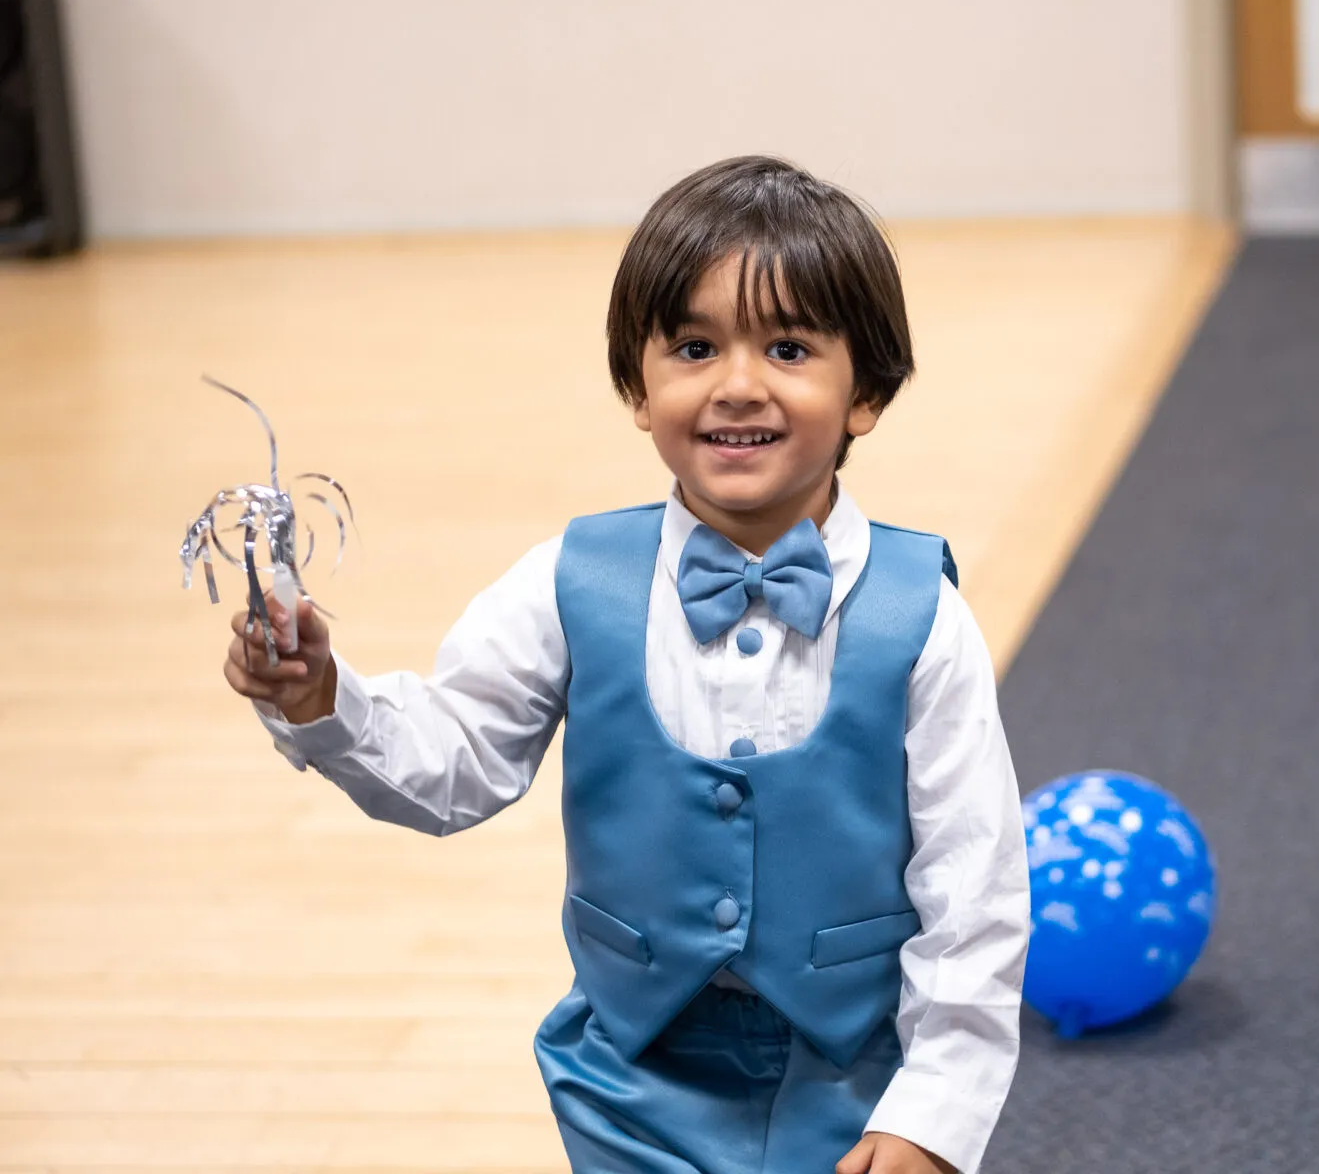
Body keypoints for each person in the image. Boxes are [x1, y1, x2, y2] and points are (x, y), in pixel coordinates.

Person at [221, 156, 1031, 1174]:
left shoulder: (924, 616)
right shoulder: (570, 581)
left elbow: (975, 885)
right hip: (630, 1081)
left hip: (858, 1072)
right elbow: (456, 761)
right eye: (694, 347)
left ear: (865, 390)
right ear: (637, 388)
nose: (737, 384)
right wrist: (322, 699)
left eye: (788, 348)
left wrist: (934, 1111)